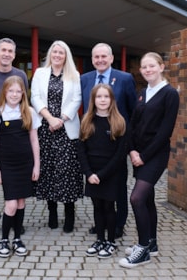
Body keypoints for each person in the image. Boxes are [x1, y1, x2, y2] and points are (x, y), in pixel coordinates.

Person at [118, 52, 179, 268]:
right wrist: (132, 150)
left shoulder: (170, 94)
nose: (147, 70)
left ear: (161, 67)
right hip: (139, 154)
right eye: (144, 67)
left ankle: (142, 249)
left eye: (152, 66)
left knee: (136, 198)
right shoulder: (143, 92)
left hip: (155, 156)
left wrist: (143, 156)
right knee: (147, 200)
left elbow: (165, 131)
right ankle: (151, 243)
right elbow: (133, 124)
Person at [80, 42, 137, 238]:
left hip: (116, 142)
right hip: (95, 141)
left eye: (104, 56)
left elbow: (132, 111)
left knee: (118, 186)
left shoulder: (125, 78)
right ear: (92, 59)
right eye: (96, 57)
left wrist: (130, 141)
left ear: (111, 58)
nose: (100, 60)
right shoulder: (85, 79)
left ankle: (118, 223)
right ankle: (101, 223)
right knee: (97, 187)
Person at [30, 40, 83, 233]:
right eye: (55, 52)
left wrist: (60, 119)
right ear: (50, 55)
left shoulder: (74, 75)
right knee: (49, 171)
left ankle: (69, 214)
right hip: (45, 129)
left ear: (65, 55)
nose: (58, 55)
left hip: (67, 129)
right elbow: (35, 97)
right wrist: (50, 119)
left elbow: (77, 99)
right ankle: (52, 212)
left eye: (61, 53)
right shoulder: (40, 73)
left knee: (67, 171)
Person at [0, 75, 40, 258]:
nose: (14, 94)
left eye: (18, 91)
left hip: (25, 164)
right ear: (5, 92)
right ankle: (4, 240)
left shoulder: (29, 112)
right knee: (11, 204)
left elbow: (34, 140)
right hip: (7, 165)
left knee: (22, 202)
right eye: (11, 91)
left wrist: (36, 166)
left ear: (23, 93)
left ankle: (17, 239)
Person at [0, 38, 29, 237]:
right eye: (3, 50)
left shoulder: (20, 75)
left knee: (17, 184)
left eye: (10, 51)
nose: (7, 54)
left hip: (15, 138)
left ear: (14, 54)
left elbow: (25, 104)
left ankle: (17, 221)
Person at [78, 84, 127, 259]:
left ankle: (111, 241)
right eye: (99, 97)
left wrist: (102, 174)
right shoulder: (86, 121)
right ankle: (100, 239)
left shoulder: (119, 122)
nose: (103, 100)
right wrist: (89, 173)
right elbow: (81, 150)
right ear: (93, 100)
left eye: (106, 97)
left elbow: (120, 155)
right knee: (97, 206)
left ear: (112, 100)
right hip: (92, 173)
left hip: (110, 173)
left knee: (108, 207)